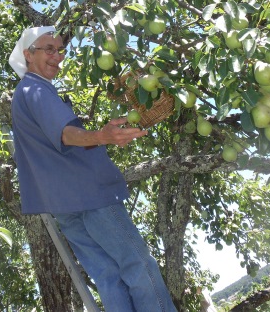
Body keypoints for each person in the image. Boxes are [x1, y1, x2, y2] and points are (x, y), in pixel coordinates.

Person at [9, 26, 177, 312]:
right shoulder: (35, 89)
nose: (57, 56)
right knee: (137, 264)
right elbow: (65, 133)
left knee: (108, 277)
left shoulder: (22, 94)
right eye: (48, 49)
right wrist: (103, 136)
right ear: (28, 54)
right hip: (89, 195)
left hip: (63, 205)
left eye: (60, 50)